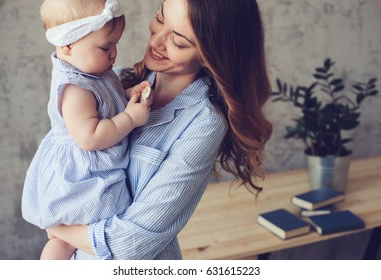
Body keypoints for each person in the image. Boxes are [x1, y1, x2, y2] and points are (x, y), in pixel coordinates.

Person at [46, 0, 273, 260]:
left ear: (213, 56)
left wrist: (57, 226)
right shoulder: (112, 81)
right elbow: (59, 171)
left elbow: (130, 245)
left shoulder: (203, 124)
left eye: (178, 42)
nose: (155, 42)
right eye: (160, 19)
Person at [21, 0, 152, 260]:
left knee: (82, 239)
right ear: (68, 46)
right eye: (106, 46)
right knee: (70, 238)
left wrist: (125, 95)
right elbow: (89, 137)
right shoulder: (75, 88)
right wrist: (130, 118)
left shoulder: (94, 70)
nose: (114, 53)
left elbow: (104, 103)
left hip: (95, 164)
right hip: (83, 175)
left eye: (116, 44)